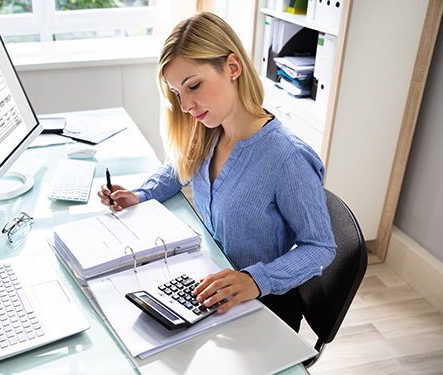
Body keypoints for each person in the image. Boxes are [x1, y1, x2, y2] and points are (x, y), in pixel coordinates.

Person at [98, 11, 336, 331]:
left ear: (232, 67)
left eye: (193, 86)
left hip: (261, 305)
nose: (185, 106)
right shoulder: (211, 131)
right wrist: (139, 195)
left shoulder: (287, 158)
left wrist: (254, 279)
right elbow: (177, 169)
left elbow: (320, 247)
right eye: (177, 93)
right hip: (212, 287)